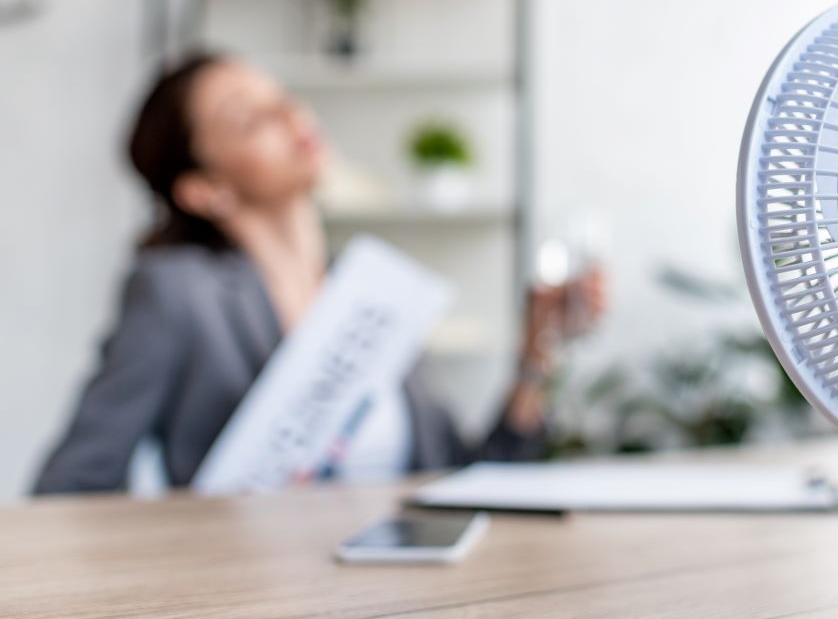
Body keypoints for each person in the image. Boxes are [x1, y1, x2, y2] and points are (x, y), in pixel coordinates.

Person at [34, 53, 603, 494]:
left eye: (281, 96)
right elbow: (72, 486)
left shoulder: (374, 295)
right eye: (249, 116)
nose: (291, 115)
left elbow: (467, 480)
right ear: (205, 190)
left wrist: (538, 350)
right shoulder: (177, 291)